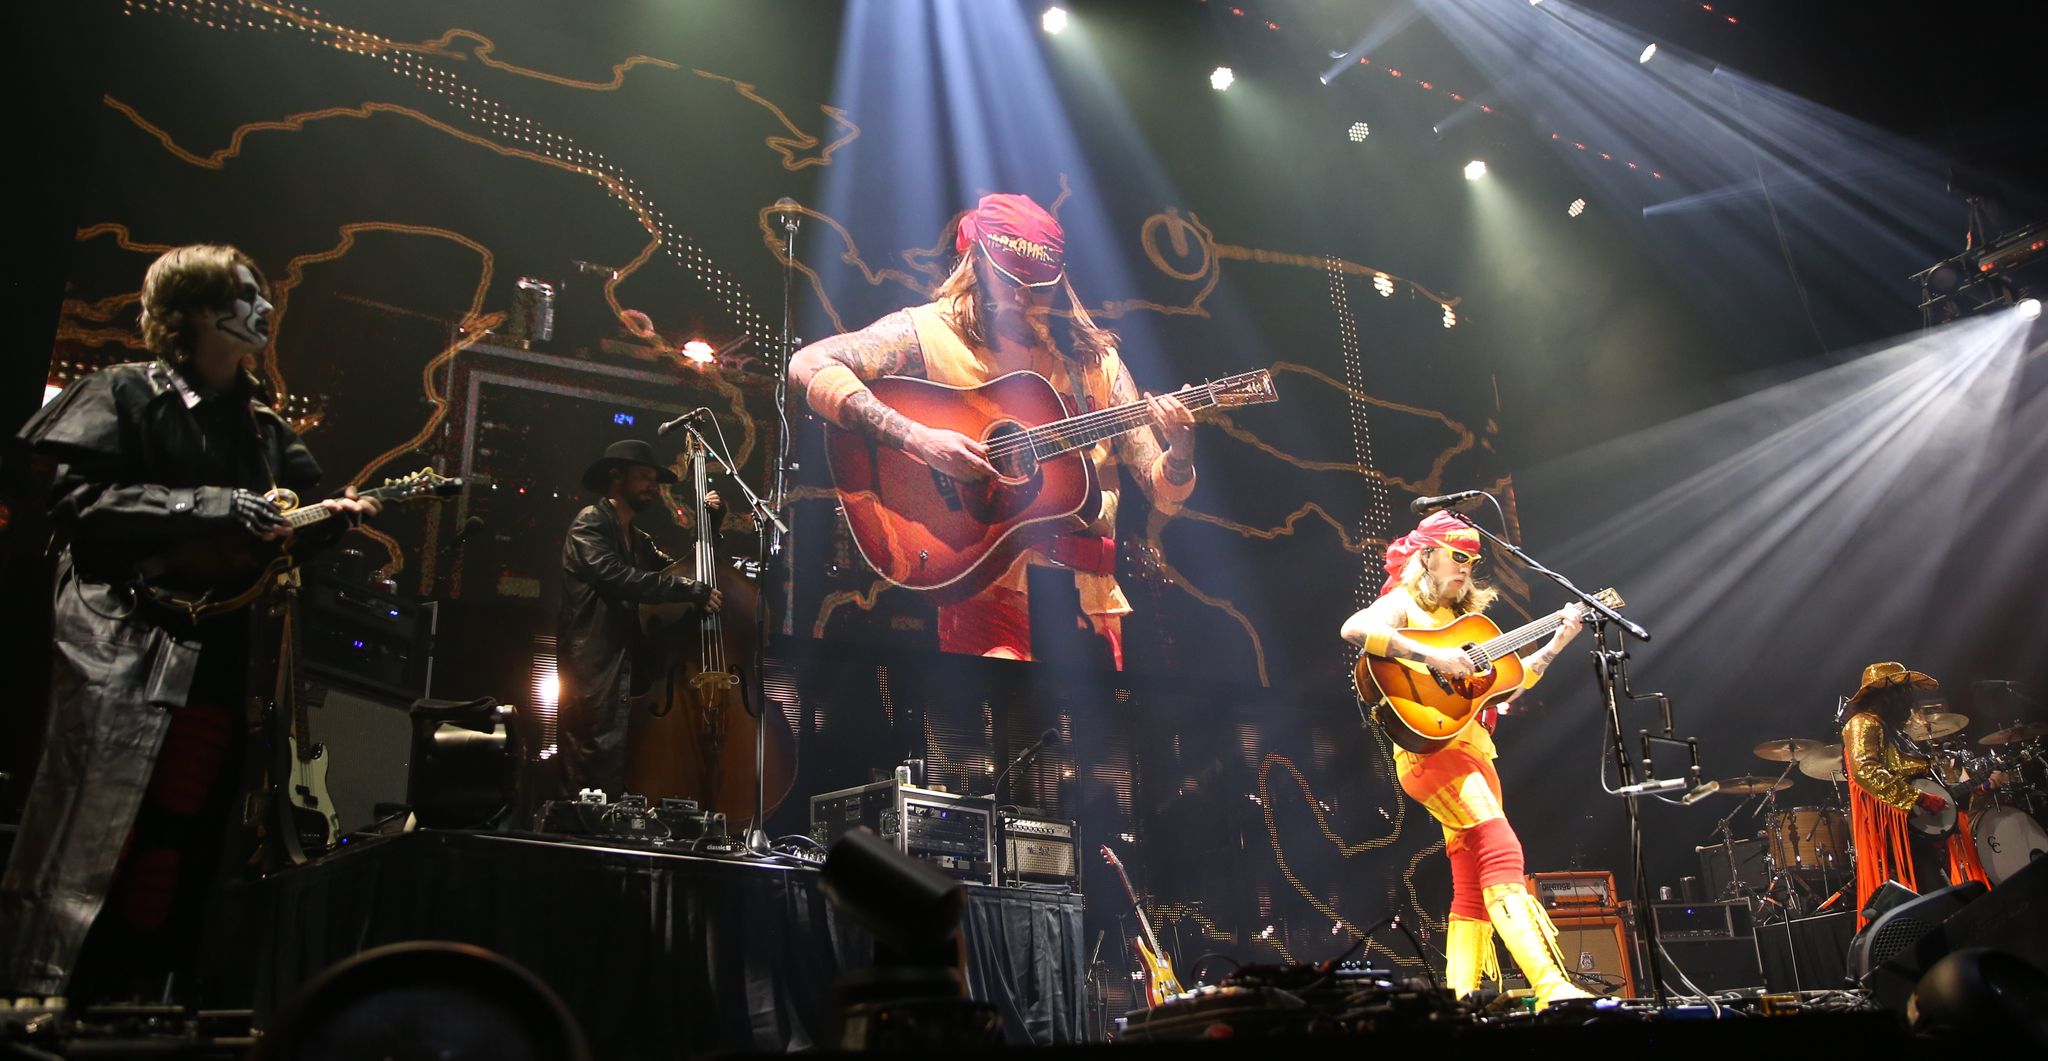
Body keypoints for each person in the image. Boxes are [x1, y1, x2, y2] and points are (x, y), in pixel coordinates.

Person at [1, 244, 382, 1000]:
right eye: (246, 295)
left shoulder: (265, 429)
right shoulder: (120, 394)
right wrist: (205, 503)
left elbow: (293, 515)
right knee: (91, 814)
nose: (265, 310)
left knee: (190, 821)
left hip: (216, 648)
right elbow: (77, 507)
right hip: (117, 636)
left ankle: (145, 994)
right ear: (197, 311)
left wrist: (332, 519)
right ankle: (34, 993)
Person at [787, 193, 1195, 669]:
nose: (1022, 299)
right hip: (987, 589)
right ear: (975, 262)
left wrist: (1181, 449)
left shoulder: (1095, 363)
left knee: (1094, 743)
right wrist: (921, 440)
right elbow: (808, 365)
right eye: (1008, 282)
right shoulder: (929, 333)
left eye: (1038, 287)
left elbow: (1161, 489)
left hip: (1091, 599)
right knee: (994, 737)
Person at [1340, 510, 1591, 1009]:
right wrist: (1434, 658)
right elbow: (1354, 628)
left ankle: (1458, 1002)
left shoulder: (1465, 625)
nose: (1464, 569)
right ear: (1425, 555)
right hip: (1432, 756)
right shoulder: (1403, 603)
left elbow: (1507, 689)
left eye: (1472, 561)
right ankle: (1548, 985)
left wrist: (1558, 642)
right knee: (1503, 850)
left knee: (1471, 880)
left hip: (1476, 752)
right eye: (1457, 557)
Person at [556, 439, 723, 799]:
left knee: (622, 759)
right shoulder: (591, 523)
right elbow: (616, 576)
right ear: (617, 476)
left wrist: (712, 527)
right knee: (593, 755)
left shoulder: (638, 539)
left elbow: (679, 571)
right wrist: (686, 589)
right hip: (594, 665)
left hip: (628, 664)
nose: (653, 485)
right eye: (645, 476)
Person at [1840, 661, 1997, 926]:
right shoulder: (1862, 723)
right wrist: (1917, 798)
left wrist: (1966, 791)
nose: (1909, 698)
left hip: (1916, 827)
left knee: (1934, 890)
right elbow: (1865, 770)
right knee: (1929, 894)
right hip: (1895, 826)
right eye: (1905, 691)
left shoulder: (1896, 732)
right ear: (1890, 695)